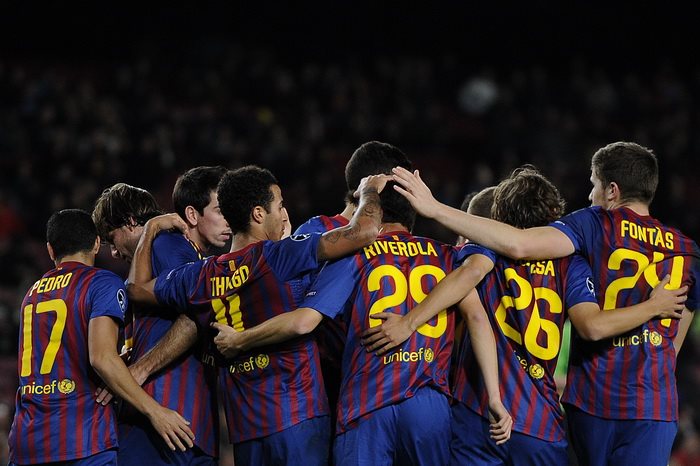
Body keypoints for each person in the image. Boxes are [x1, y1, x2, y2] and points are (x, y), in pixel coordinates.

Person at [391, 142, 700, 466]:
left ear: (612, 191)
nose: (590, 196)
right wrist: (652, 311)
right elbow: (673, 340)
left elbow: (519, 247)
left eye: (593, 185)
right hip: (633, 406)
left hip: (586, 400)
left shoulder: (592, 224)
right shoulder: (685, 251)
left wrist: (435, 209)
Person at [211, 162, 511, 466]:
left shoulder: (353, 255)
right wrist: (495, 397)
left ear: (376, 214)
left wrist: (241, 340)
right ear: (413, 215)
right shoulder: (446, 256)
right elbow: (477, 318)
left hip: (367, 403)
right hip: (427, 404)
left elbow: (305, 321)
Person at [126, 165, 387, 466]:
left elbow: (136, 288)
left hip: (245, 429)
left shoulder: (201, 275)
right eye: (279, 206)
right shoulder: (278, 255)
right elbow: (365, 231)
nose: (283, 214)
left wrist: (150, 230)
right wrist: (368, 190)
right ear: (259, 214)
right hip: (296, 415)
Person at [8, 209, 194, 466]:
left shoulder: (32, 294)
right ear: (96, 244)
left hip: (27, 441)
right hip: (80, 439)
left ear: (50, 250)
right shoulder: (101, 283)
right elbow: (101, 358)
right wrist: (156, 411)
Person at [92, 172, 228, 466]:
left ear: (130, 222)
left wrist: (138, 370)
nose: (113, 252)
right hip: (188, 421)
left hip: (162, 421)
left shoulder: (165, 243)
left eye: (112, 239)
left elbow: (195, 312)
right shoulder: (185, 255)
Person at [293, 141, 416, 440]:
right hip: (322, 392)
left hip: (380, 392)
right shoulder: (316, 233)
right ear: (380, 185)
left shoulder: (400, 240)